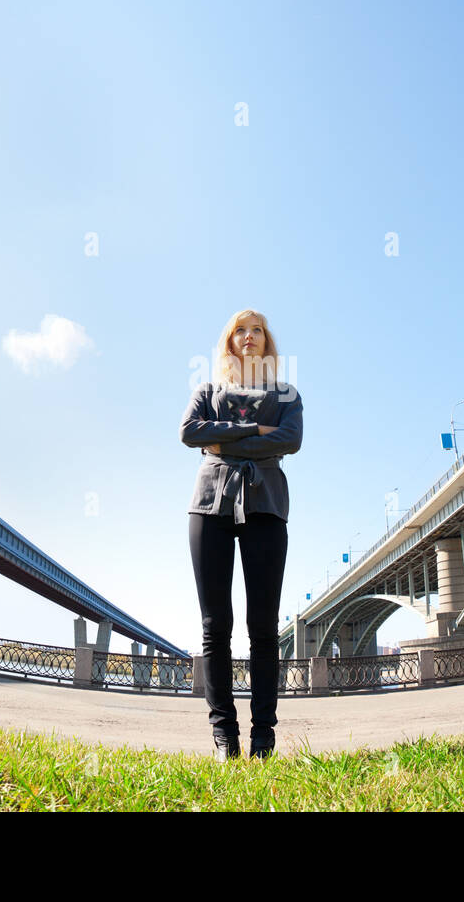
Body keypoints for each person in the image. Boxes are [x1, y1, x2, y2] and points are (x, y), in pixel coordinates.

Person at [180, 309, 303, 762]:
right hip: (210, 503)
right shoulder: (208, 390)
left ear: (267, 341)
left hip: (266, 503)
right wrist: (254, 429)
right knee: (216, 626)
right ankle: (224, 737)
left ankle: (263, 738)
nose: (248, 337)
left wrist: (222, 440)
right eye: (239, 331)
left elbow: (290, 440)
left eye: (257, 331)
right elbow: (189, 432)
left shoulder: (286, 393)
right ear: (229, 341)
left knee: (263, 627)